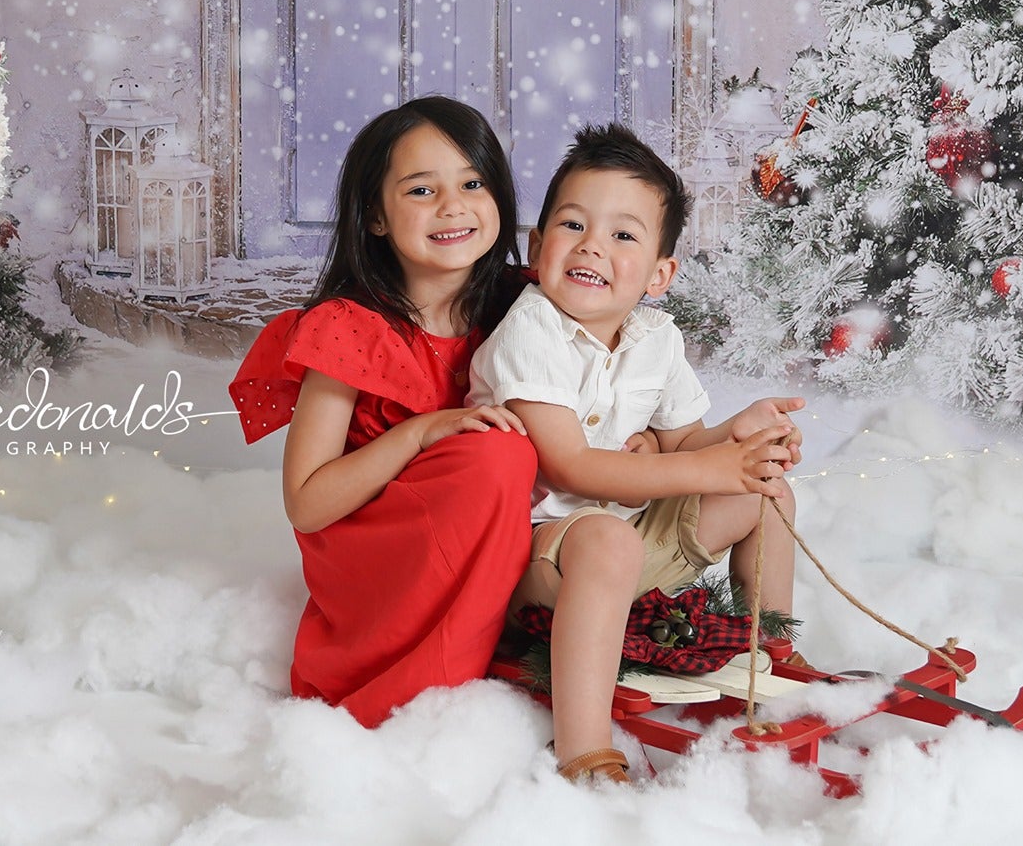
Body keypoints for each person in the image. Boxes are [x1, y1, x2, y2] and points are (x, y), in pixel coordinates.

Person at [468, 122, 806, 785]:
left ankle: (769, 650)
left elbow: (685, 442)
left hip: (626, 546)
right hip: (537, 557)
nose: (593, 244)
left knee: (765, 493)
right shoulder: (531, 329)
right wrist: (702, 465)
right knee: (607, 541)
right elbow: (571, 466)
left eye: (623, 234)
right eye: (572, 224)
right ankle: (585, 749)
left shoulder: (656, 336)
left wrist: (741, 437)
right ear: (538, 247)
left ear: (659, 272)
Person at [227, 97, 539, 726]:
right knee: (498, 453)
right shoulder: (349, 328)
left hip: (498, 537)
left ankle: (525, 644)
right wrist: (423, 432)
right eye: (422, 190)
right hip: (380, 554)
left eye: (473, 183)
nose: (453, 206)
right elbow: (308, 503)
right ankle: (425, 692)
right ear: (375, 217)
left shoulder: (525, 306)